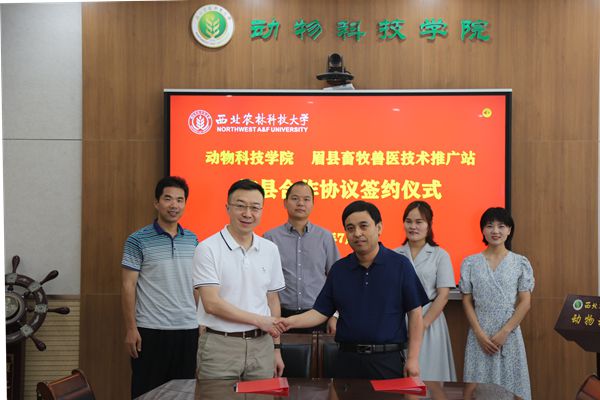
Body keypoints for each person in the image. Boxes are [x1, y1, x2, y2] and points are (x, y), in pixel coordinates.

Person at [276, 200, 429, 379]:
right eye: (350, 228)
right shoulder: (339, 270)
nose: (357, 233)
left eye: (363, 226)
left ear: (379, 228)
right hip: (347, 361)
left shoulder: (400, 265)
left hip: (387, 360)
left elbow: (415, 314)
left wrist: (413, 358)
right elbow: (320, 312)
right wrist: (289, 322)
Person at [193, 179, 286, 379]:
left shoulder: (270, 249)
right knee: (216, 394)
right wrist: (259, 320)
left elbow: (272, 300)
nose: (247, 214)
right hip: (221, 346)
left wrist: (276, 348)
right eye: (241, 206)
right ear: (228, 208)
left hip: (262, 347)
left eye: (255, 208)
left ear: (262, 211)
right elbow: (211, 304)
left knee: (261, 394)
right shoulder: (207, 248)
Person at [121, 176, 199, 399]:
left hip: (187, 330)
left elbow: (196, 285)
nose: (174, 205)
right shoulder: (137, 240)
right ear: (156, 202)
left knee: (184, 394)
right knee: (147, 393)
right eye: (168, 199)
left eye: (180, 200)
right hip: (150, 330)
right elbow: (128, 286)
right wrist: (131, 328)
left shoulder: (192, 239)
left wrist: (201, 321)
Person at [459, 207, 534, 400]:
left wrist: (504, 332)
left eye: (501, 226)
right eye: (489, 226)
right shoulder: (470, 262)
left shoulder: (520, 263)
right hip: (479, 333)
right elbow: (467, 301)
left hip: (509, 333)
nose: (495, 231)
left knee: (516, 388)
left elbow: (525, 302)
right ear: (482, 230)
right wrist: (479, 334)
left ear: (509, 230)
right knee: (471, 389)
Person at [264, 181, 340, 334]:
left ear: (312, 204)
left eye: (306, 199)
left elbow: (337, 278)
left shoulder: (324, 237)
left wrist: (335, 315)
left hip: (318, 315)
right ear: (285, 203)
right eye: (295, 198)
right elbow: (263, 281)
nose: (300, 203)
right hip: (280, 317)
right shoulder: (270, 237)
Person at [394, 201, 457, 382]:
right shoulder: (394, 254)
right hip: (400, 320)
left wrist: (422, 325)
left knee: (430, 376)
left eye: (419, 222)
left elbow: (443, 295)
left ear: (429, 225)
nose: (413, 226)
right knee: (402, 378)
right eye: (408, 221)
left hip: (430, 320)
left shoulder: (440, 255)